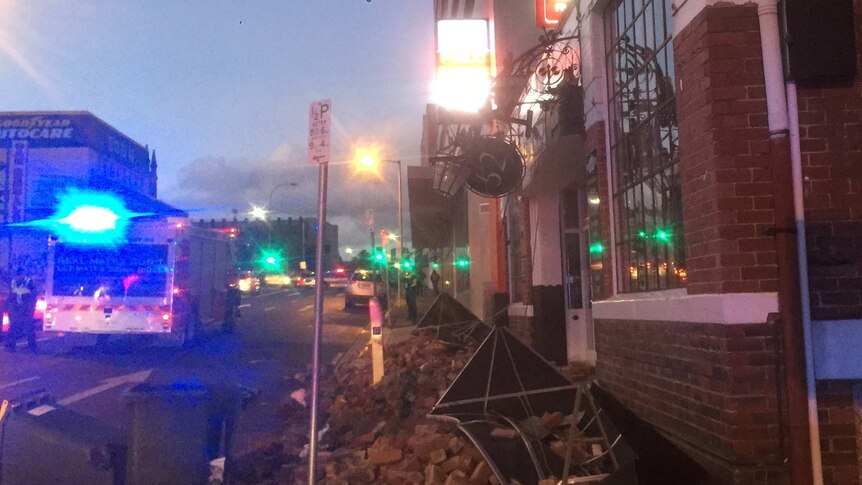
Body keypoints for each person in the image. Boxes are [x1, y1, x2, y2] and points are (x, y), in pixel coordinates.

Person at [5, 268, 37, 353]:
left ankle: (32, 347)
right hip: (16, 308)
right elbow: (11, 295)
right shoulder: (13, 282)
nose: (17, 278)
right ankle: (11, 346)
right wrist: (8, 307)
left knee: (28, 328)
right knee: (14, 327)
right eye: (16, 276)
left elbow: (33, 296)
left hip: (26, 309)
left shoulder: (29, 282)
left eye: (19, 276)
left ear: (22, 275)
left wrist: (30, 309)